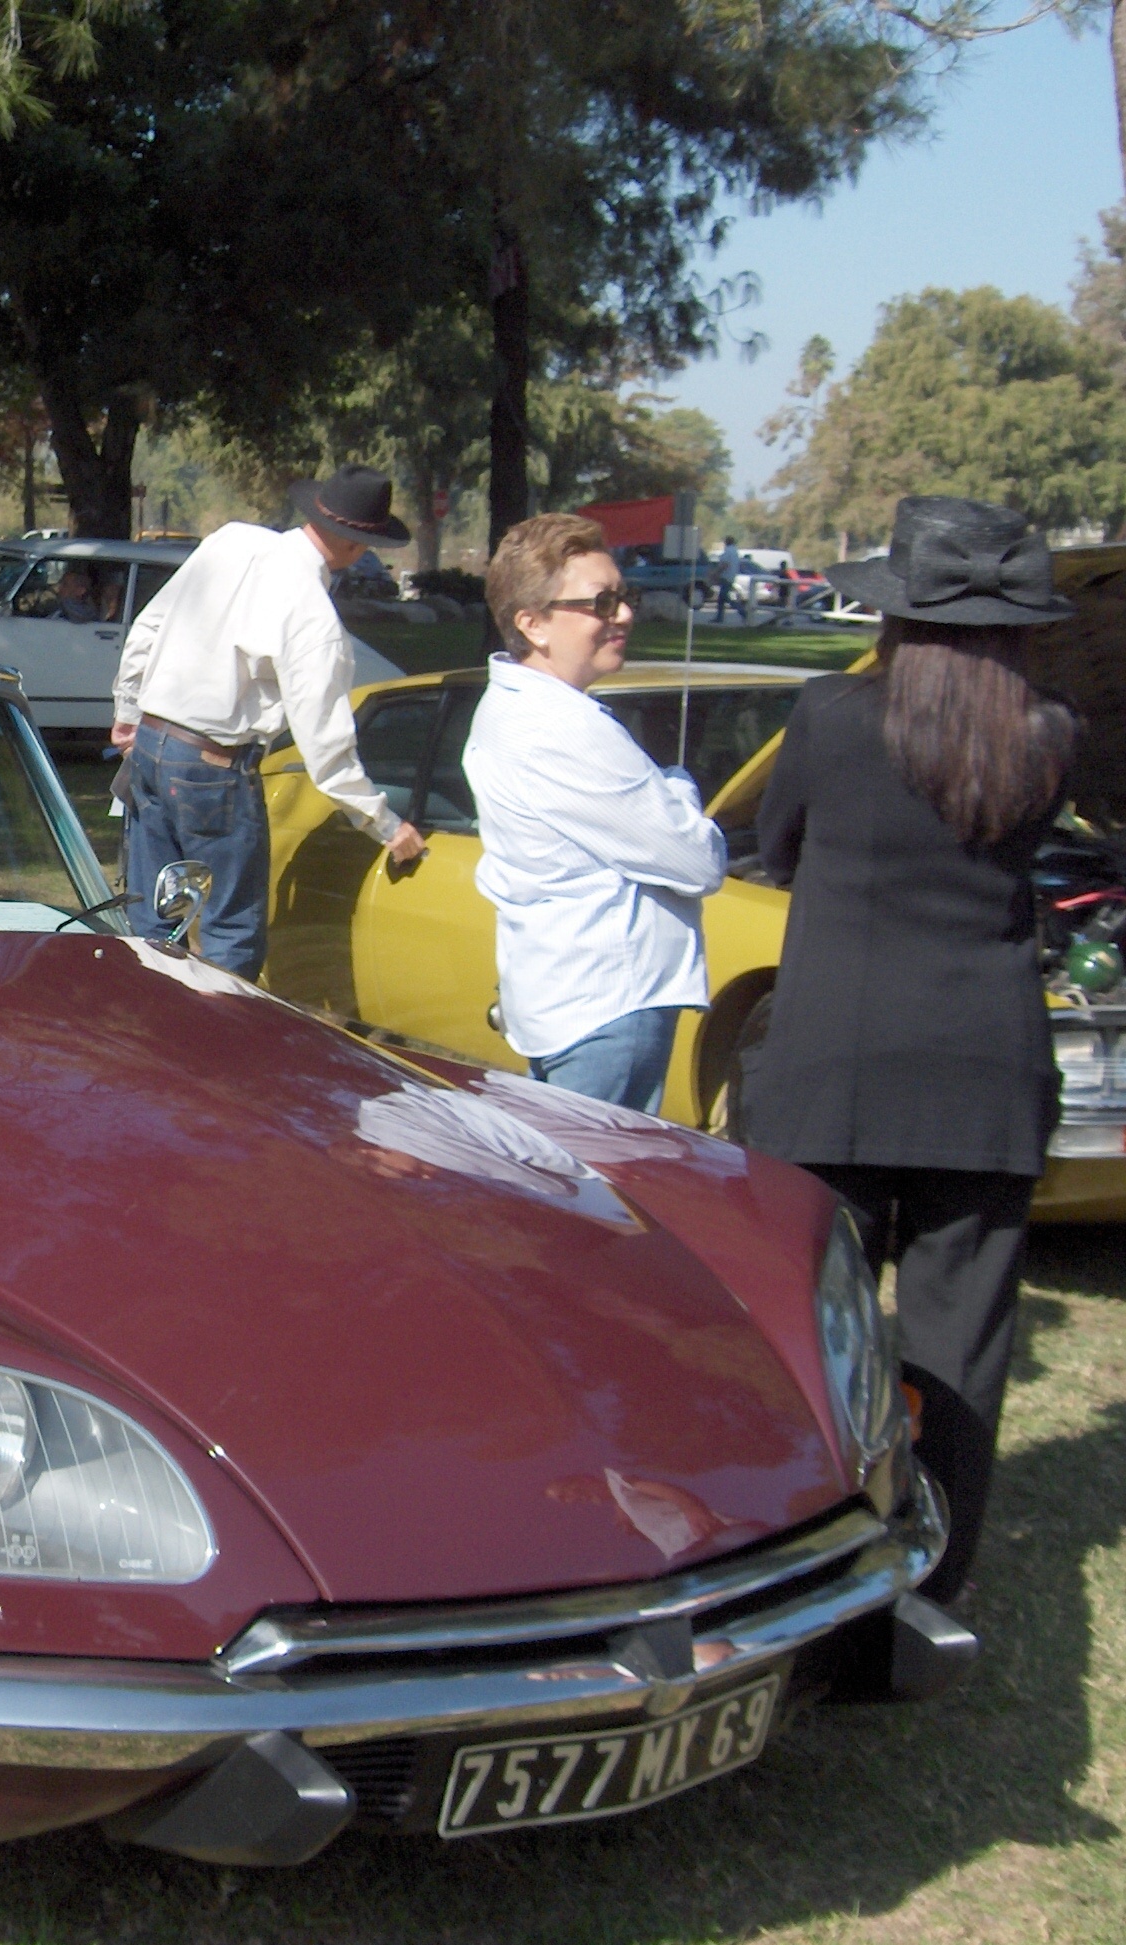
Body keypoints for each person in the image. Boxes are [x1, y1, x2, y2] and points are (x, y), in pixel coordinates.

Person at [742, 495, 1078, 1608]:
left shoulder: (831, 715)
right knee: (961, 1347)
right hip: (984, 1073)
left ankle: (801, 1559)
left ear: (897, 615)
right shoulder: (1051, 733)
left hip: (836, 1063)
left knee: (807, 1335)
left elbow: (775, 844)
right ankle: (934, 1579)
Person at [109, 466, 425, 980]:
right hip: (212, 768)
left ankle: (150, 1034)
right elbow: (326, 748)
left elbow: (149, 625)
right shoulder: (312, 615)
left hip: (151, 743)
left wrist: (127, 714)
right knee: (229, 931)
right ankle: (224, 1050)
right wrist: (386, 824)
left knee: (151, 918)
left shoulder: (230, 542)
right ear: (359, 546)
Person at [466, 513, 727, 1112]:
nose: (624, 616)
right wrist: (680, 787)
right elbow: (698, 862)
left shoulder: (512, 705)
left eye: (623, 596)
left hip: (568, 999)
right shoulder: (563, 729)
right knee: (603, 1196)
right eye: (601, 603)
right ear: (532, 623)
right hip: (610, 1008)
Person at [711, 536, 749, 623]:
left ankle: (742, 612)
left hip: (726, 577)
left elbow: (725, 564)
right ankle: (719, 617)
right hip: (731, 576)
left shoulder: (728, 551)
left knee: (725, 597)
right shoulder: (735, 551)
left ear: (726, 542)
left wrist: (716, 573)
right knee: (721, 599)